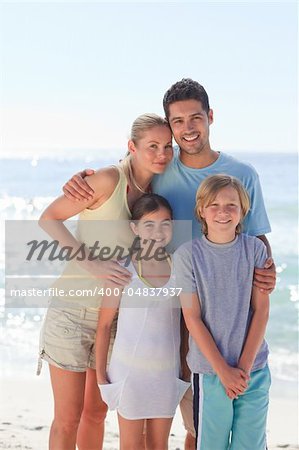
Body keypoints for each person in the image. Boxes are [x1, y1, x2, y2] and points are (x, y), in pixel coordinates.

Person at [62, 78, 276, 449]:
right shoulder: (162, 167)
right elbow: (128, 173)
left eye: (196, 117)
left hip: (223, 313)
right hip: (170, 305)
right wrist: (84, 180)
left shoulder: (243, 174)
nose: (188, 128)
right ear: (170, 126)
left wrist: (268, 268)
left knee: (196, 421)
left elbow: (256, 238)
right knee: (164, 408)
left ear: (210, 117)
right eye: (177, 121)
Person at [38, 114, 173, 450]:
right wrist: (92, 263)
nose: (161, 153)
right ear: (132, 147)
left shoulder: (156, 189)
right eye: (152, 146)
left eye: (167, 146)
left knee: (96, 413)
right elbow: (49, 219)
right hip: (71, 313)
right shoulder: (104, 181)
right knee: (68, 418)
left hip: (113, 321)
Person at [175, 174, 271, 450]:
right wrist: (224, 371)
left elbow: (261, 311)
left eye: (232, 205)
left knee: (250, 445)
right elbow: (192, 318)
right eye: (214, 205)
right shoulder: (187, 255)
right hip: (209, 372)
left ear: (243, 211)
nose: (223, 212)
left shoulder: (255, 249)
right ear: (201, 210)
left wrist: (242, 369)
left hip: (254, 369)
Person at [96, 193, 190, 450]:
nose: (158, 232)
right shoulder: (123, 268)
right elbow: (104, 325)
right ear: (135, 228)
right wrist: (101, 375)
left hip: (166, 375)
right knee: (131, 445)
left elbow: (183, 323)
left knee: (159, 445)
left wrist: (183, 368)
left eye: (165, 223)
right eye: (149, 224)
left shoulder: (180, 267)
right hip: (129, 375)